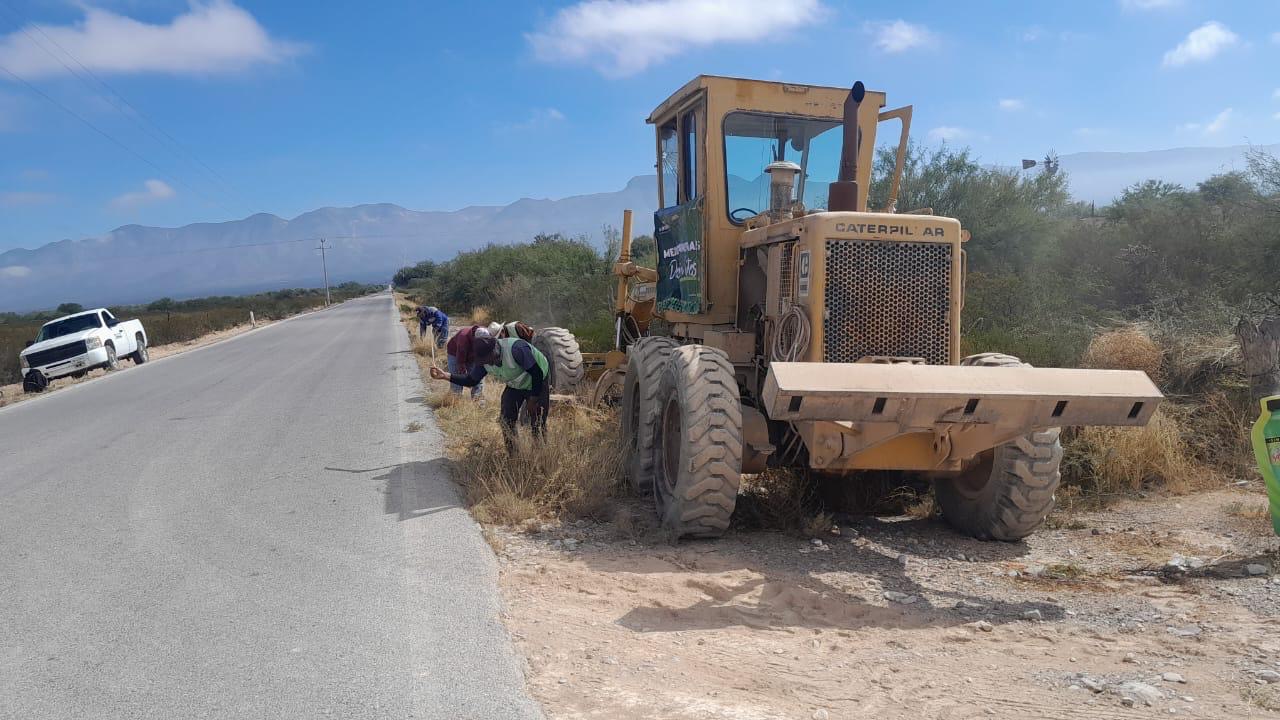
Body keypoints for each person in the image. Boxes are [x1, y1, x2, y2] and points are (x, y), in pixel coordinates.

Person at [430, 334, 549, 451]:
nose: (486, 364)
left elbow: (537, 373)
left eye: (487, 360)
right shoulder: (484, 361)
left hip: (538, 380)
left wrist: (533, 400)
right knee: (506, 420)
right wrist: (445, 376)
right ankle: (513, 455)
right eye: (482, 361)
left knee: (537, 421)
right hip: (515, 384)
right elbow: (471, 380)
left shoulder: (517, 349)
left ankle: (539, 453)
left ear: (494, 351)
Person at [445, 323, 492, 399]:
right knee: (457, 377)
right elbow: (460, 359)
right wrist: (462, 370)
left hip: (472, 356)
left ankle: (477, 399)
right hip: (455, 354)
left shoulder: (485, 333)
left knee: (478, 378)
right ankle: (455, 399)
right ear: (476, 339)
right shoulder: (463, 338)